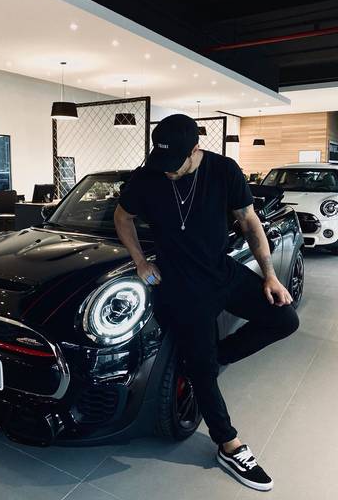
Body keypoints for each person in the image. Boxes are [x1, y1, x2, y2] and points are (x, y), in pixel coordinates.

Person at [114, 114, 299, 492]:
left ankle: (216, 356)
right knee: (202, 370)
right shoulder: (148, 175)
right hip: (180, 284)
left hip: (221, 271)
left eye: (175, 164)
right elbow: (122, 216)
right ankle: (228, 444)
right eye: (161, 162)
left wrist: (270, 275)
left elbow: (249, 221)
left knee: (284, 320)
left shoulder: (224, 170)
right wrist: (140, 261)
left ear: (195, 149)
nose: (167, 171)